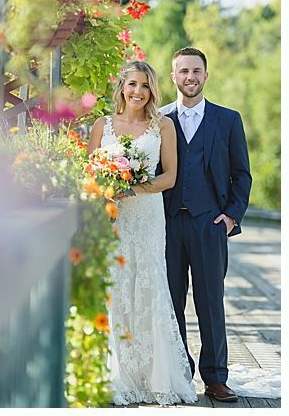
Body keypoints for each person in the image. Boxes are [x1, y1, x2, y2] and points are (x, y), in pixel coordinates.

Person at [87, 61, 197, 405]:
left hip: (148, 217)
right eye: (132, 84)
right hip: (111, 217)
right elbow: (91, 175)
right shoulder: (101, 125)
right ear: (121, 87)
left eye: (145, 86)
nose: (138, 91)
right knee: (115, 286)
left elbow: (169, 178)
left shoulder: (162, 126)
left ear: (152, 91)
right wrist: (109, 185)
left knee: (148, 284)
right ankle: (118, 373)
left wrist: (133, 186)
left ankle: (155, 375)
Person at [159, 47, 252, 403]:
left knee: (211, 301)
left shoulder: (228, 120)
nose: (190, 77)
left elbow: (242, 175)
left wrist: (230, 217)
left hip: (210, 223)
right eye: (183, 71)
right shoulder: (160, 119)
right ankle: (180, 373)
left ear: (206, 75)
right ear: (174, 77)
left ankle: (215, 377)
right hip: (167, 224)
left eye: (196, 71)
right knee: (170, 300)